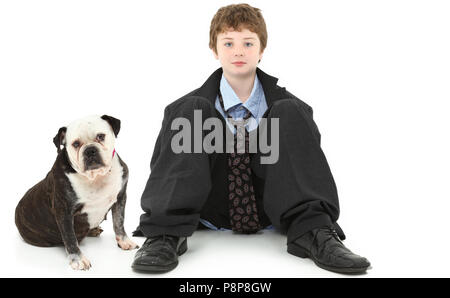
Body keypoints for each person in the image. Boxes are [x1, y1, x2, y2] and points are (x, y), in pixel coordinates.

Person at [131, 3, 370, 274]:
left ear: (261, 50)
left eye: (248, 43)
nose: (239, 52)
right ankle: (165, 234)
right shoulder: (183, 110)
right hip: (211, 207)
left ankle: (314, 231)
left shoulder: (291, 108)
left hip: (275, 206)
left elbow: (306, 165)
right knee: (192, 110)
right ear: (214, 49)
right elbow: (165, 167)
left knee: (289, 111)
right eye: (229, 43)